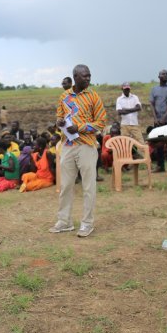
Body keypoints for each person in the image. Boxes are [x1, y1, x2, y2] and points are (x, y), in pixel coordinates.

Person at [49, 64, 107, 238]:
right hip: (67, 146)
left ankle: (87, 223)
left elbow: (101, 122)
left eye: (89, 76)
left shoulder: (93, 96)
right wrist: (59, 122)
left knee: (88, 187)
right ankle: (64, 221)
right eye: (85, 76)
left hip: (86, 146)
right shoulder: (64, 96)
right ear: (75, 77)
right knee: (66, 185)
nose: (88, 79)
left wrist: (79, 128)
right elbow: (59, 115)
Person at [149, 69, 167, 172]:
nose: (165, 75)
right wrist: (156, 118)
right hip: (158, 120)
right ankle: (160, 166)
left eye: (166, 74)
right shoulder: (154, 89)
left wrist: (164, 118)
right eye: (162, 74)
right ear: (159, 76)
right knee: (159, 144)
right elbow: (152, 104)